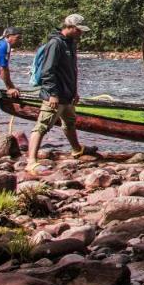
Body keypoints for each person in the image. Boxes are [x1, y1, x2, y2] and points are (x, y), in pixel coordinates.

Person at [26, 14, 89, 173]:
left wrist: (75, 91)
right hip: (55, 95)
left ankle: (76, 149)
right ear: (70, 27)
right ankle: (31, 161)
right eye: (79, 30)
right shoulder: (55, 44)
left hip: (68, 94)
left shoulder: (71, 44)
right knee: (42, 125)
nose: (81, 34)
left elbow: (73, 70)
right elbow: (48, 71)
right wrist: (53, 94)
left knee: (70, 122)